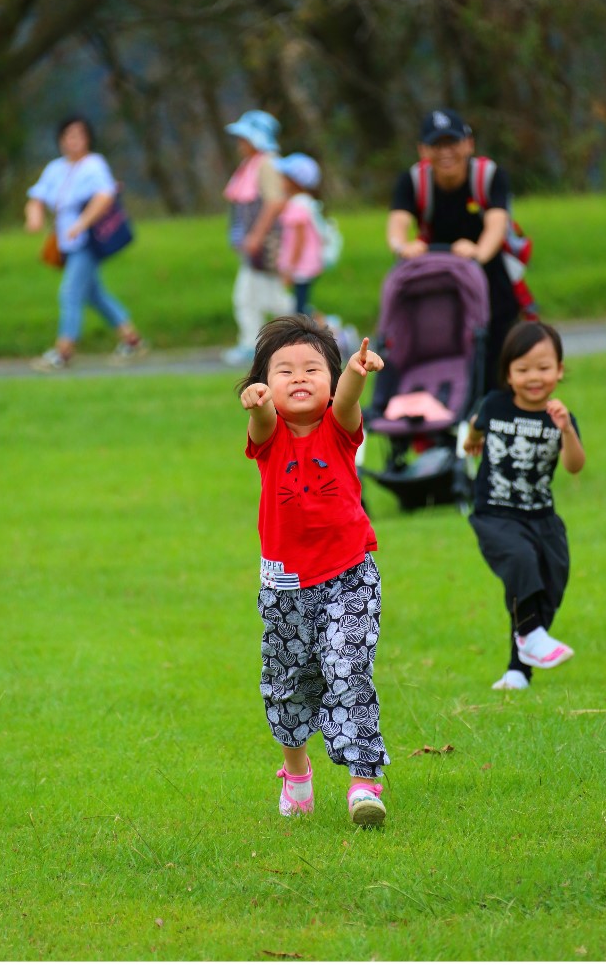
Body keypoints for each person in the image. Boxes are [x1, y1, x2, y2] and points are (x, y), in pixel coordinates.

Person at [237, 316, 390, 827]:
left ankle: (365, 782)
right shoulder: (270, 434)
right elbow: (261, 425)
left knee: (348, 670)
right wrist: (258, 406)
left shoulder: (339, 430)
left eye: (312, 369)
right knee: (288, 683)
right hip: (285, 586)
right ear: (263, 384)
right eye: (283, 371)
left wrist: (355, 371)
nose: (299, 377)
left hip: (349, 575)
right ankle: (296, 773)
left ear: (328, 383)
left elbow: (348, 400)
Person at [461, 323, 585, 691]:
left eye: (544, 368)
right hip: (494, 513)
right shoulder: (495, 405)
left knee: (551, 579)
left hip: (542, 515)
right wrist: (471, 441)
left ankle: (519, 668)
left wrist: (566, 430)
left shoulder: (560, 417)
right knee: (520, 561)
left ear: (560, 370)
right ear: (509, 374)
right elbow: (476, 426)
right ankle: (530, 635)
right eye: (523, 369)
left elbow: (574, 465)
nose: (534, 377)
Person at [387, 109, 524, 396]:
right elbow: (398, 224)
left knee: (498, 356)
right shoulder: (412, 181)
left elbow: (497, 223)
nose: (446, 152)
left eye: (453, 143)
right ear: (423, 150)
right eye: (437, 145)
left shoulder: (490, 176)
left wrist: (477, 254)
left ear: (468, 144)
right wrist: (404, 247)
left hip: (489, 279)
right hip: (440, 283)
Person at [23, 115, 147, 371]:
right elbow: (36, 196)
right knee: (94, 294)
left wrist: (82, 223)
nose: (74, 141)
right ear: (61, 140)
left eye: (79, 135)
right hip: (67, 244)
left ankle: (63, 351)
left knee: (70, 293)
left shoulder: (93, 165)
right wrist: (33, 217)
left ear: (87, 138)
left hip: (87, 242)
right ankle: (132, 340)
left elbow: (104, 196)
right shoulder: (55, 168)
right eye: (69, 135)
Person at [223, 110, 295, 366]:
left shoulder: (267, 164)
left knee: (268, 298)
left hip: (267, 244)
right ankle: (253, 342)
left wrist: (256, 235)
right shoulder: (251, 165)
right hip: (255, 246)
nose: (240, 144)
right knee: (253, 295)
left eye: (245, 138)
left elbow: (275, 202)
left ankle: (320, 331)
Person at [274, 153, 329, 317]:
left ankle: (329, 332)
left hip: (301, 265)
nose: (281, 182)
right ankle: (324, 329)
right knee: (301, 305)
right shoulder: (305, 202)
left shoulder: (298, 205)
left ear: (294, 181)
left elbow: (298, 241)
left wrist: (289, 268)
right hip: (307, 263)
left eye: (283, 178)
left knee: (299, 308)